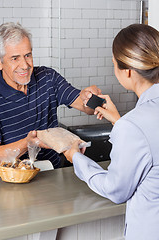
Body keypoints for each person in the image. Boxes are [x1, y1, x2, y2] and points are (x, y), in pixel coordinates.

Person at [63, 24, 159, 240]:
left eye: (114, 64)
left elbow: (116, 190)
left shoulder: (134, 126)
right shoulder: (134, 123)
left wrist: (76, 158)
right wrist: (119, 121)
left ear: (128, 71)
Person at [0, 22, 101, 179]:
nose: (24, 65)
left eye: (28, 55)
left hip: (49, 176)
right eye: (15, 58)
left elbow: (88, 107)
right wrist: (30, 143)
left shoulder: (48, 78)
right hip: (5, 184)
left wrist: (92, 98)